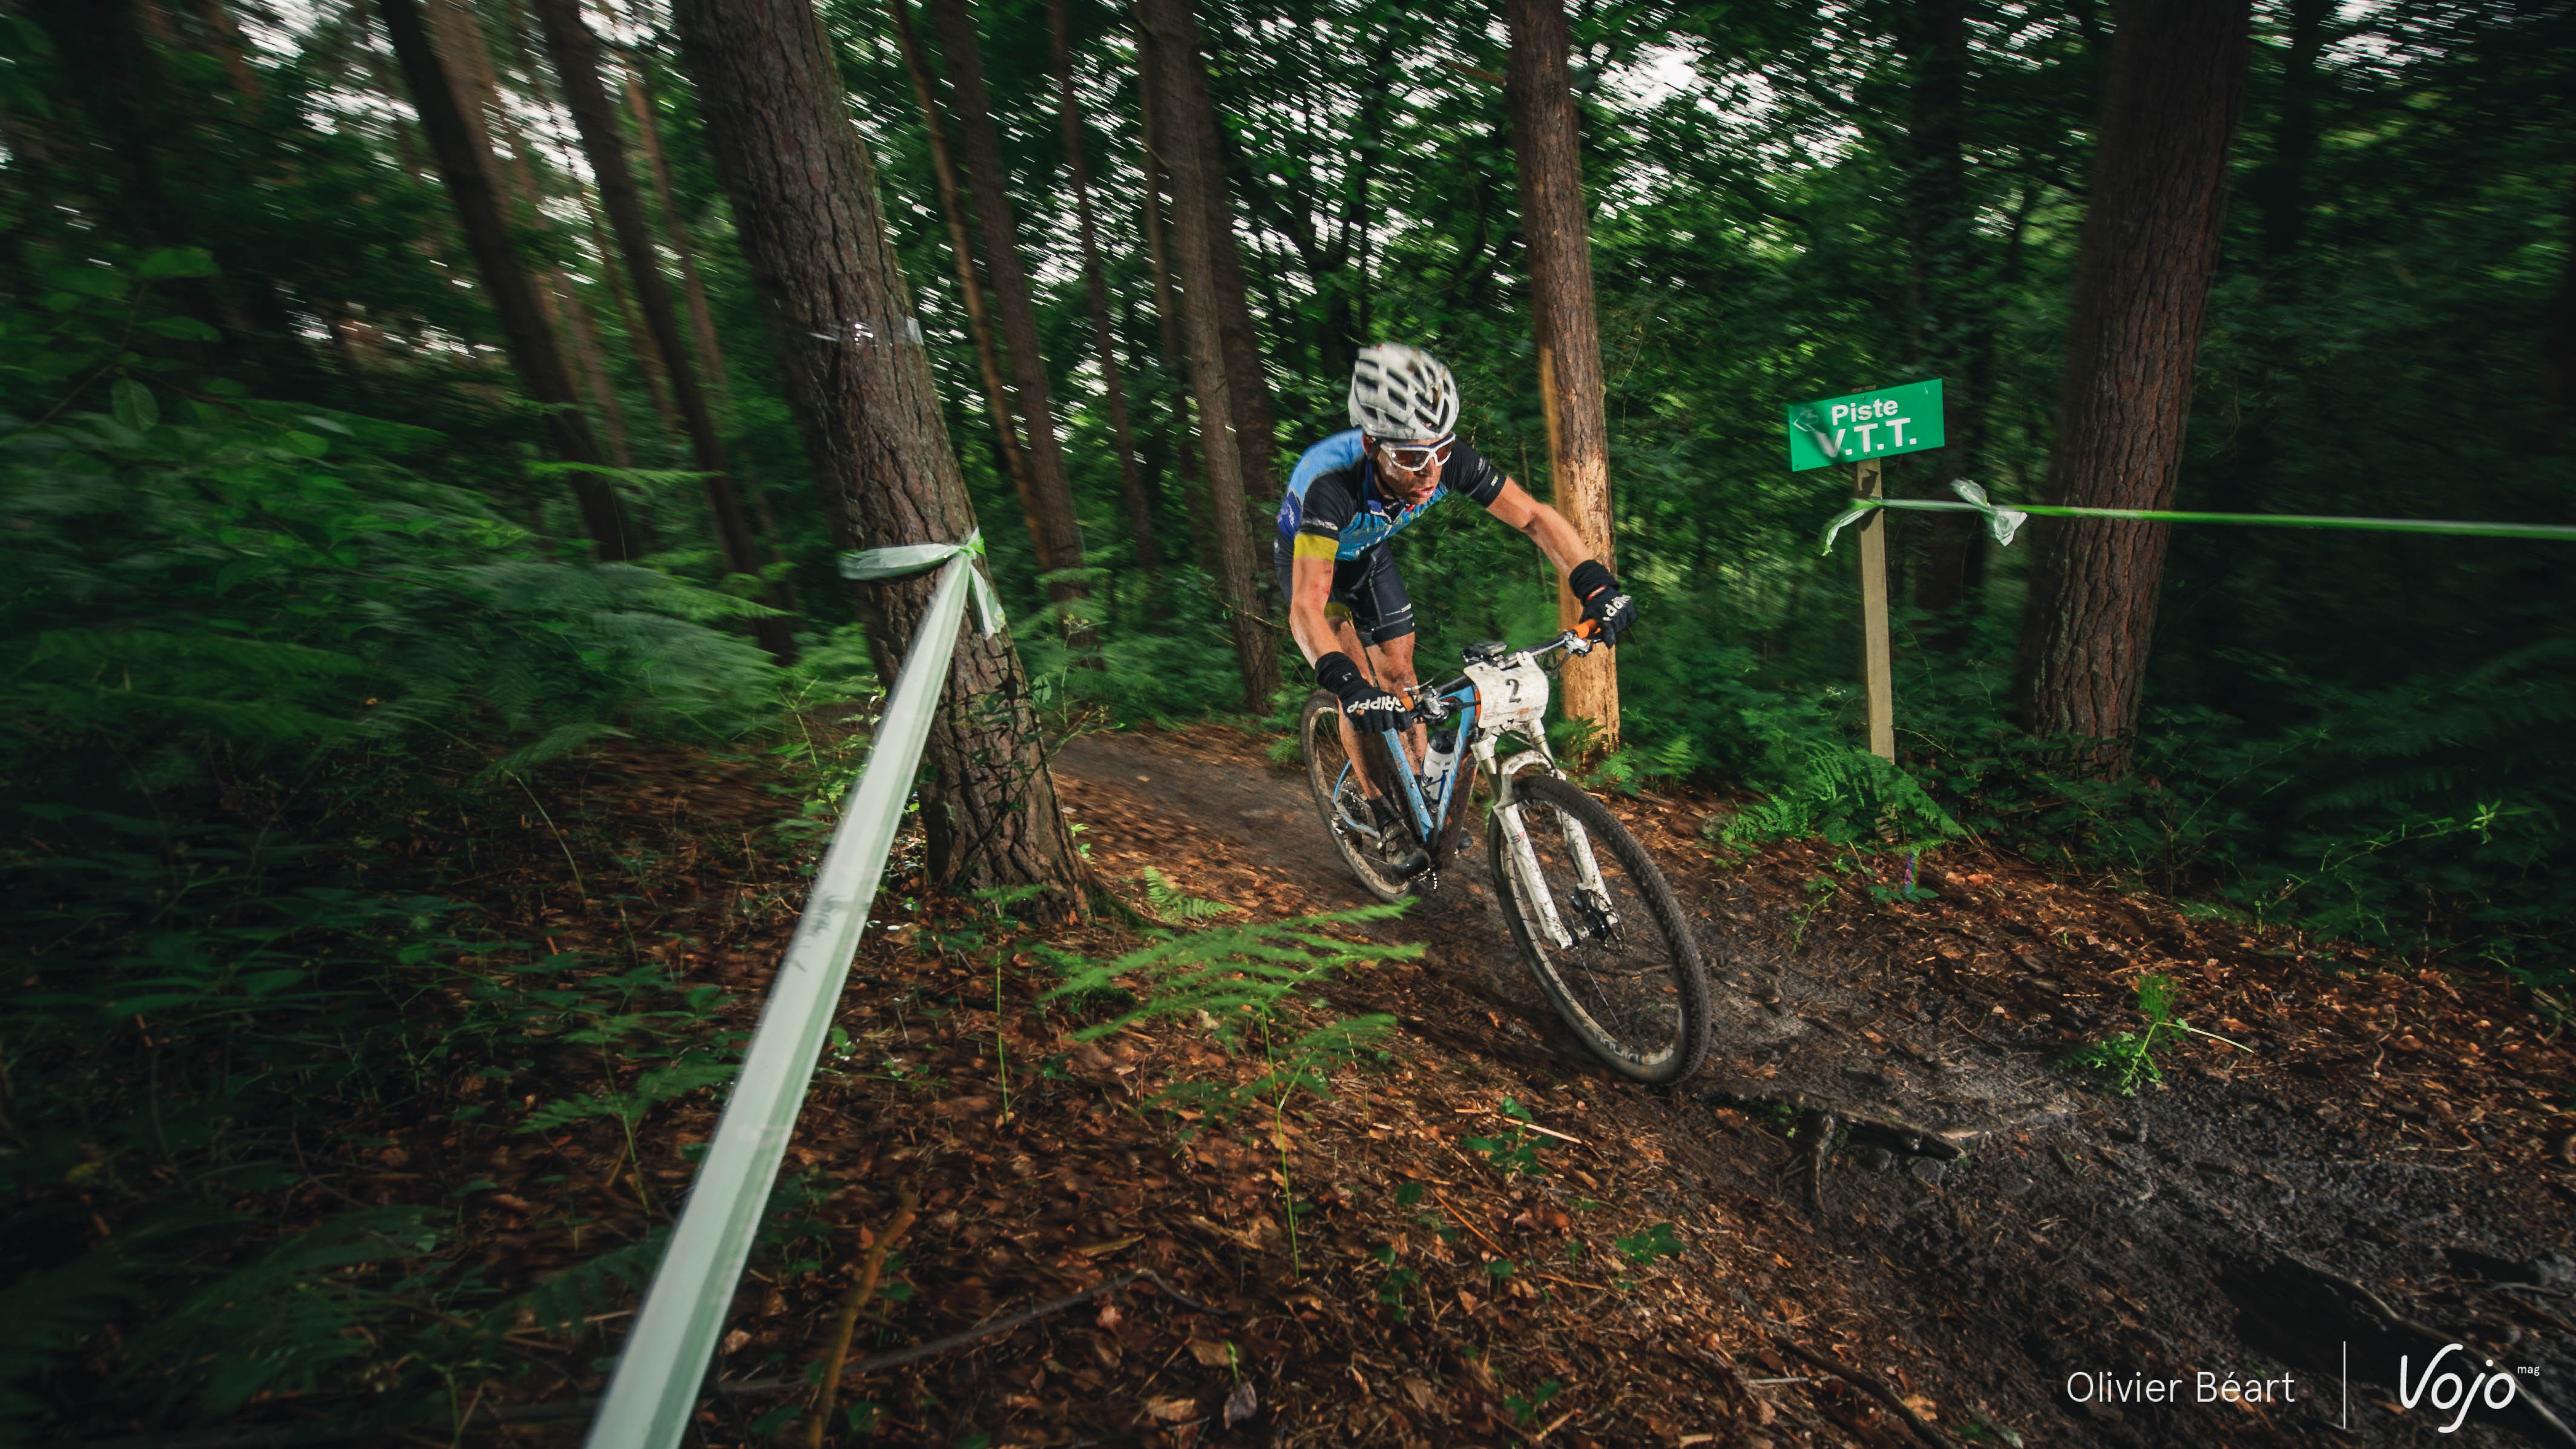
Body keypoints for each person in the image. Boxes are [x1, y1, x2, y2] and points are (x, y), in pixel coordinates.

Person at [1278, 342, 1636, 874]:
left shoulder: (1444, 460)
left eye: (1440, 452)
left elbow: (1534, 518)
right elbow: (1306, 605)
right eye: (1412, 459)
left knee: (1401, 674)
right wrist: (1347, 684)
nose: (1429, 473)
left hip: (1369, 555)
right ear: (1373, 444)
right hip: (1315, 564)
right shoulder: (1330, 485)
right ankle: (1381, 813)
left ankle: (1423, 799)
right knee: (1357, 684)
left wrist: (1596, 584)